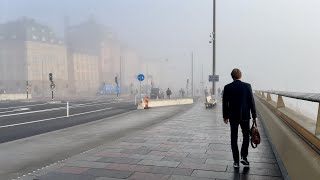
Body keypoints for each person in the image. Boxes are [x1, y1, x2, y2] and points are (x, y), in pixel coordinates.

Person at [222, 68, 257, 168]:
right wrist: (254, 116)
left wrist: (225, 116)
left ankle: (236, 161)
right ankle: (244, 157)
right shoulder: (247, 86)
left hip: (233, 116)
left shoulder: (227, 87)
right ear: (240, 76)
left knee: (234, 138)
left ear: (232, 76)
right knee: (246, 136)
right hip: (245, 116)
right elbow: (251, 102)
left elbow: (225, 103)